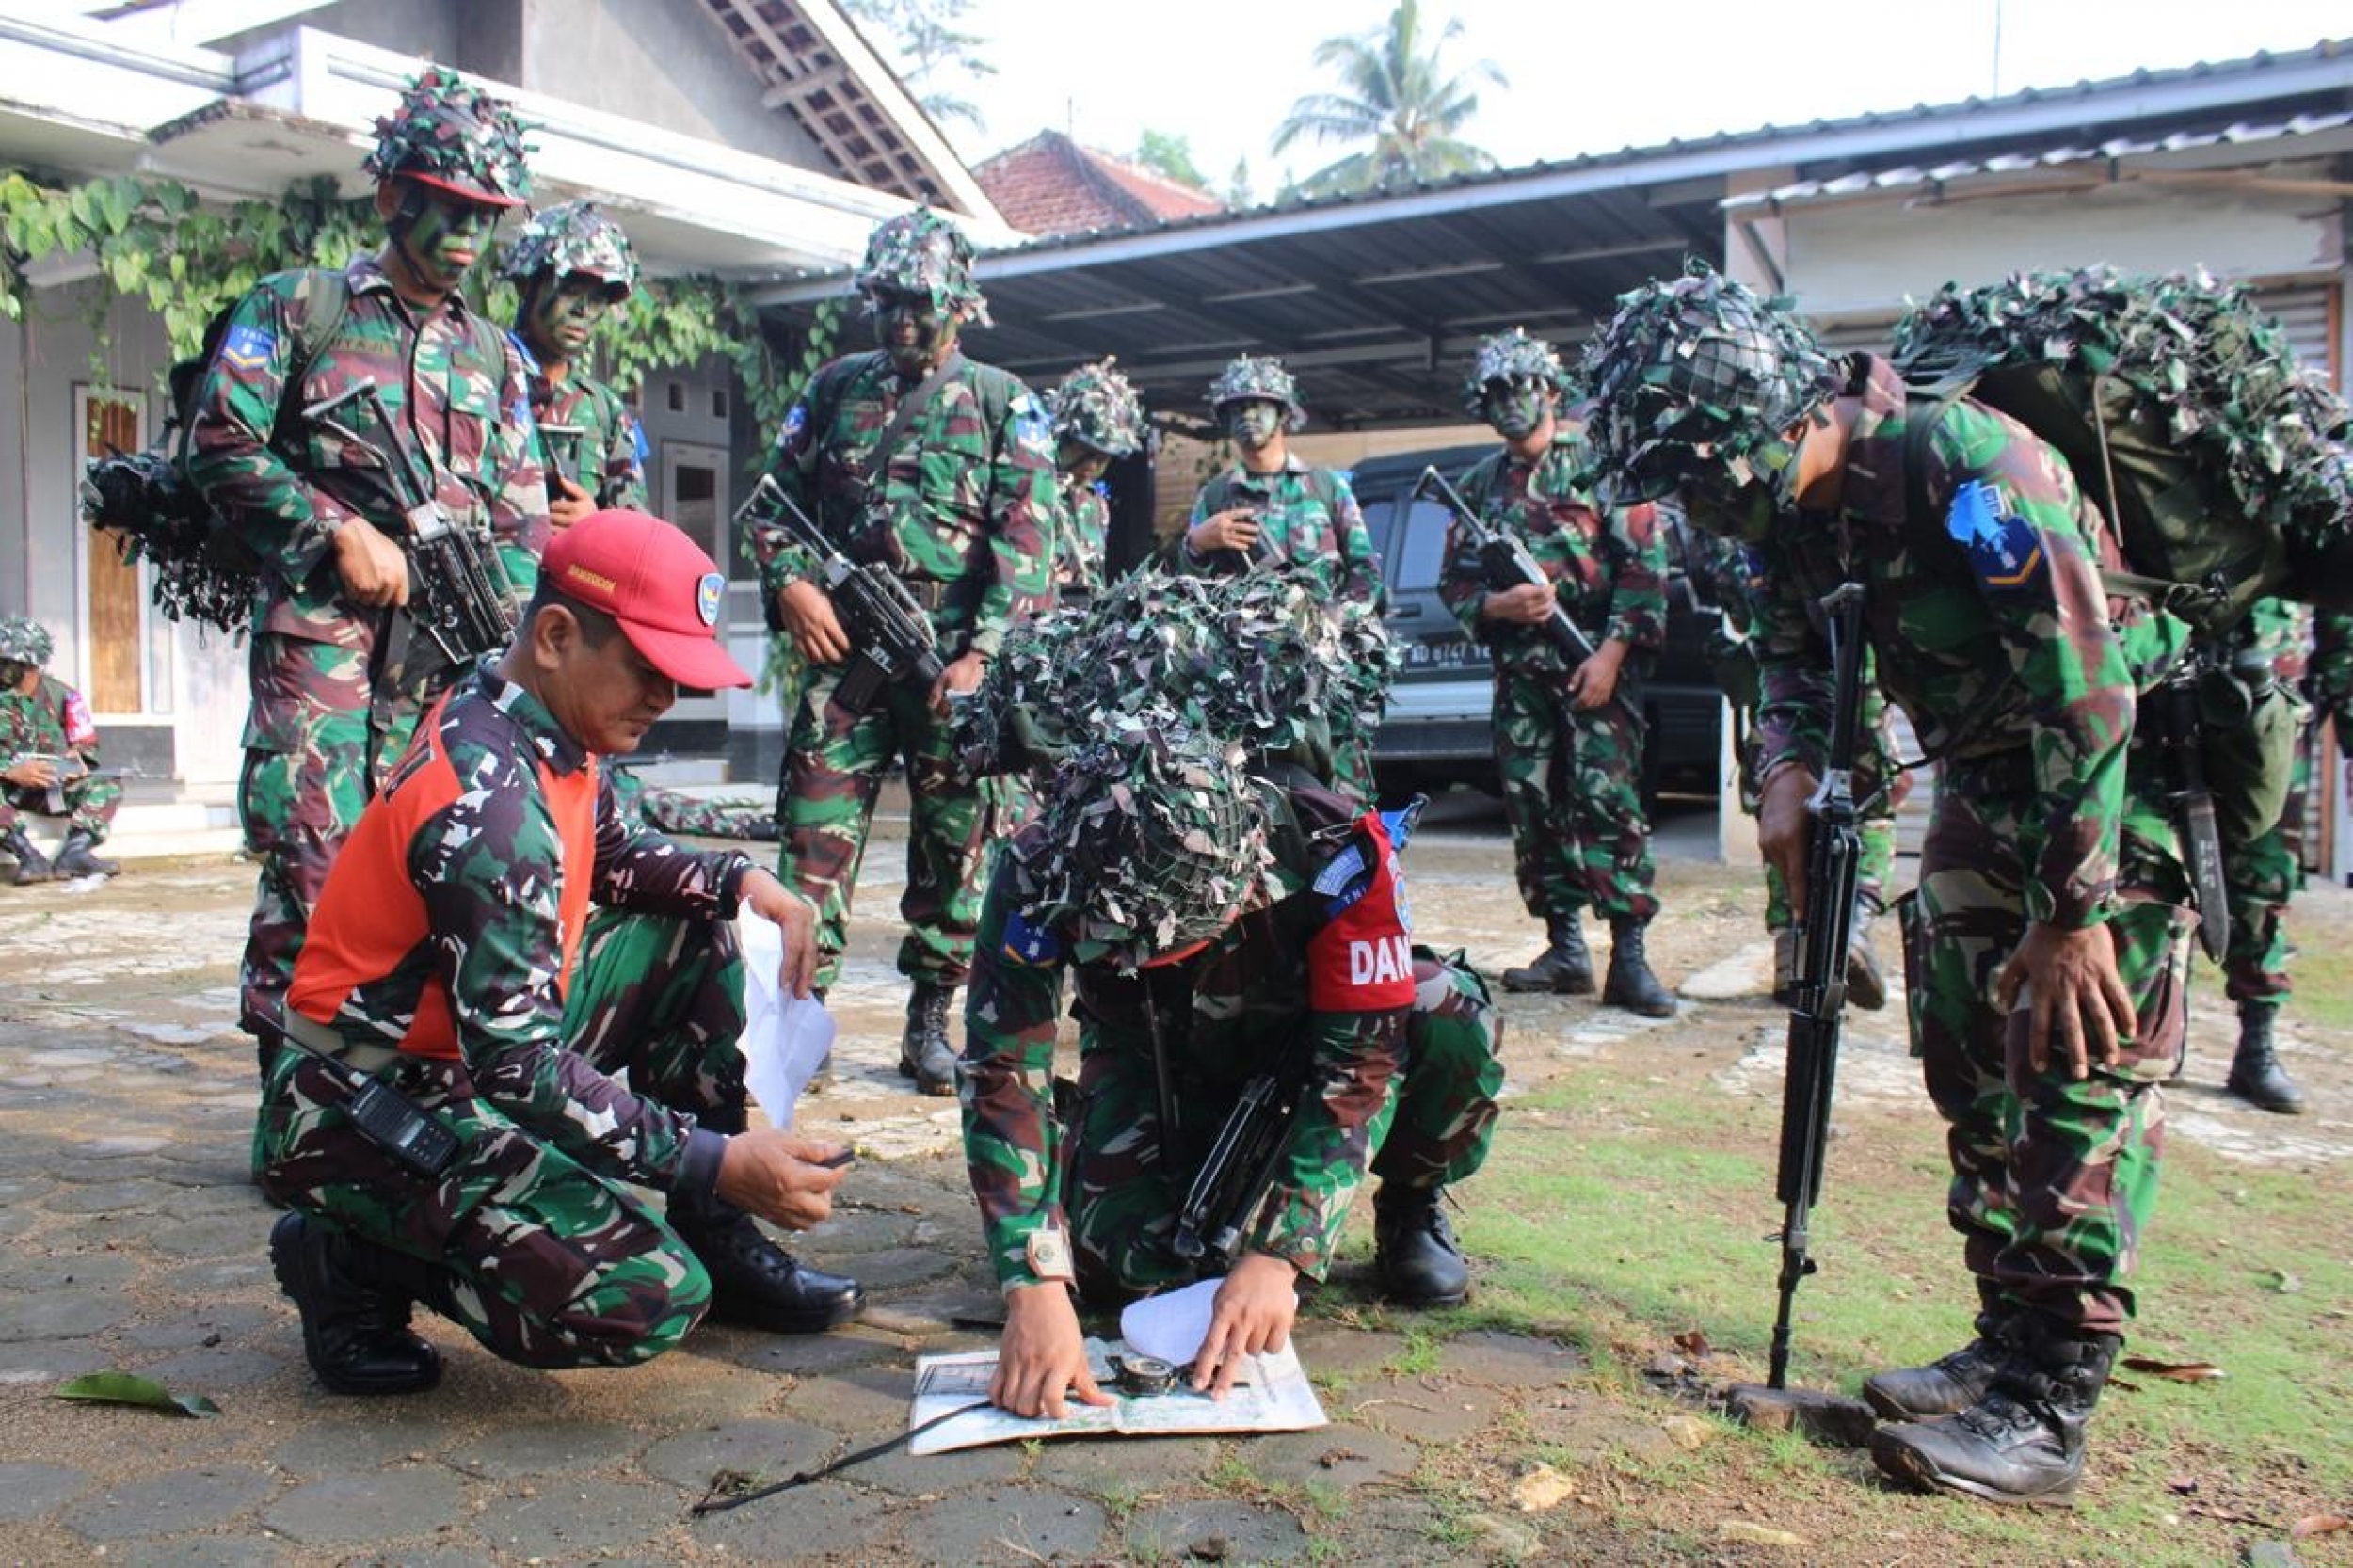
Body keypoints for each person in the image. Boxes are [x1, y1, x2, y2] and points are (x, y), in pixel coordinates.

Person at [1584, 266, 2194, 1506]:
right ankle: (2005, 1339)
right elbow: (1797, 661)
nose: (1701, 507)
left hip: (2103, 786)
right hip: (1984, 775)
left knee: (2067, 1061)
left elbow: (2088, 689)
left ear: (1785, 417)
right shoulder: (1790, 523)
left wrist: (2075, 914)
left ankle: (2052, 1398)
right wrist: (1787, 770)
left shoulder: (1966, 467)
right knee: (1967, 1059)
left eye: (1707, 476)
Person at [261, 508, 862, 1396]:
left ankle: (711, 1225)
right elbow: (518, 1068)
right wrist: (715, 1156)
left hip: (447, 1053)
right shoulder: (491, 802)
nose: (668, 700)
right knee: (641, 1296)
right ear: (555, 636)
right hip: (359, 1100)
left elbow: (615, 856)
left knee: (695, 925)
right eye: (649, 671)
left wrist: (740, 882)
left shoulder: (536, 724)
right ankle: (348, 1260)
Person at [962, 715, 1503, 1419]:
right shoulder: (1037, 865)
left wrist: (1284, 1253)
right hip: (1152, 1052)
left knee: (1443, 1012)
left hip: (1306, 1042)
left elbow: (1363, 1062)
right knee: (1118, 1266)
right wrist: (1032, 1279)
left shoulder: (1336, 850)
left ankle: (1410, 1200)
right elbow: (1003, 1071)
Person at [184, 66, 548, 1057]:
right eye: (448, 205)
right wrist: (329, 527)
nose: (469, 233)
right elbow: (219, 440)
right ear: (393, 196)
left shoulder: (497, 358)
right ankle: (295, 1100)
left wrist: (515, 663)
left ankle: (391, 1088)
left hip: (449, 657)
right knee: (315, 864)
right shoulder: (302, 308)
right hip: (326, 645)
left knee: (431, 867)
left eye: (488, 214)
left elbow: (522, 521)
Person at [746, 207, 1056, 1097]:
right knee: (809, 844)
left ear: (959, 302)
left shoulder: (1005, 403)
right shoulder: (840, 387)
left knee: (956, 850)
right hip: (847, 662)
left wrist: (984, 656)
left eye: (920, 303)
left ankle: (930, 1021)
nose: (903, 322)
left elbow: (1027, 545)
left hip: (949, 666)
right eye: (887, 303)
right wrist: (793, 586)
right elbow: (770, 506)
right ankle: (801, 1017)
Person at [1438, 328, 1673, 1016]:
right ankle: (1565, 947)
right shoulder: (1479, 486)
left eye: (1521, 389)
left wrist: (1610, 657)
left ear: (1547, 390)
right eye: (1495, 395)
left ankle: (1629, 957)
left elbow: (1645, 570)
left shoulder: (1601, 463)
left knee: (1609, 806)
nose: (1510, 404)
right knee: (1533, 807)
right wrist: (1498, 604)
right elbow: (1453, 585)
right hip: (1521, 680)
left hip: (1595, 671)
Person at [1685, 531, 1897, 1008]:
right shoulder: (1747, 535)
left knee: (1848, 799)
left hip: (1831, 674)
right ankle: (1821, 939)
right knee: (1808, 806)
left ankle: (1825, 939)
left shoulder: (1752, 526)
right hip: (1795, 677)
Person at [1177, 355, 1385, 802]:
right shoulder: (1216, 495)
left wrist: (1331, 623)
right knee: (1256, 800)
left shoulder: (1326, 487)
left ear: (1285, 413)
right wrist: (1198, 543)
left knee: (1342, 799)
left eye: (1258, 406)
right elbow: (1189, 595)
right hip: (1247, 682)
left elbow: (1367, 576)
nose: (1247, 416)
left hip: (1327, 676)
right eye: (1235, 409)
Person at [2208, 600, 2353, 1112]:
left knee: (2263, 884)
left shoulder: (2306, 521)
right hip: (2171, 693)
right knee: (2144, 872)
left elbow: (2341, 624)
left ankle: (2257, 1048)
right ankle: (2152, 1035)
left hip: (2271, 719)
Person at [501, 200, 649, 521]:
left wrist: (595, 522)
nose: (583, 312)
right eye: (569, 291)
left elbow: (635, 527)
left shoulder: (604, 411)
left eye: (597, 299)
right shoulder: (486, 376)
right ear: (528, 285)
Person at [0, 616, 122, 883]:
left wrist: (76, 759)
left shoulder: (64, 697)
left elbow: (86, 743)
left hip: (47, 789)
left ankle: (74, 853)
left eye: (11, 663)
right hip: (6, 789)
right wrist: (10, 771)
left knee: (107, 784)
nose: (4, 669)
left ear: (31, 665)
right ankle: (28, 855)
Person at [1043, 358, 1146, 607]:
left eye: (1102, 457)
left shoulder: (1095, 502)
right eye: (1083, 451)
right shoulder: (1030, 492)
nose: (1091, 465)